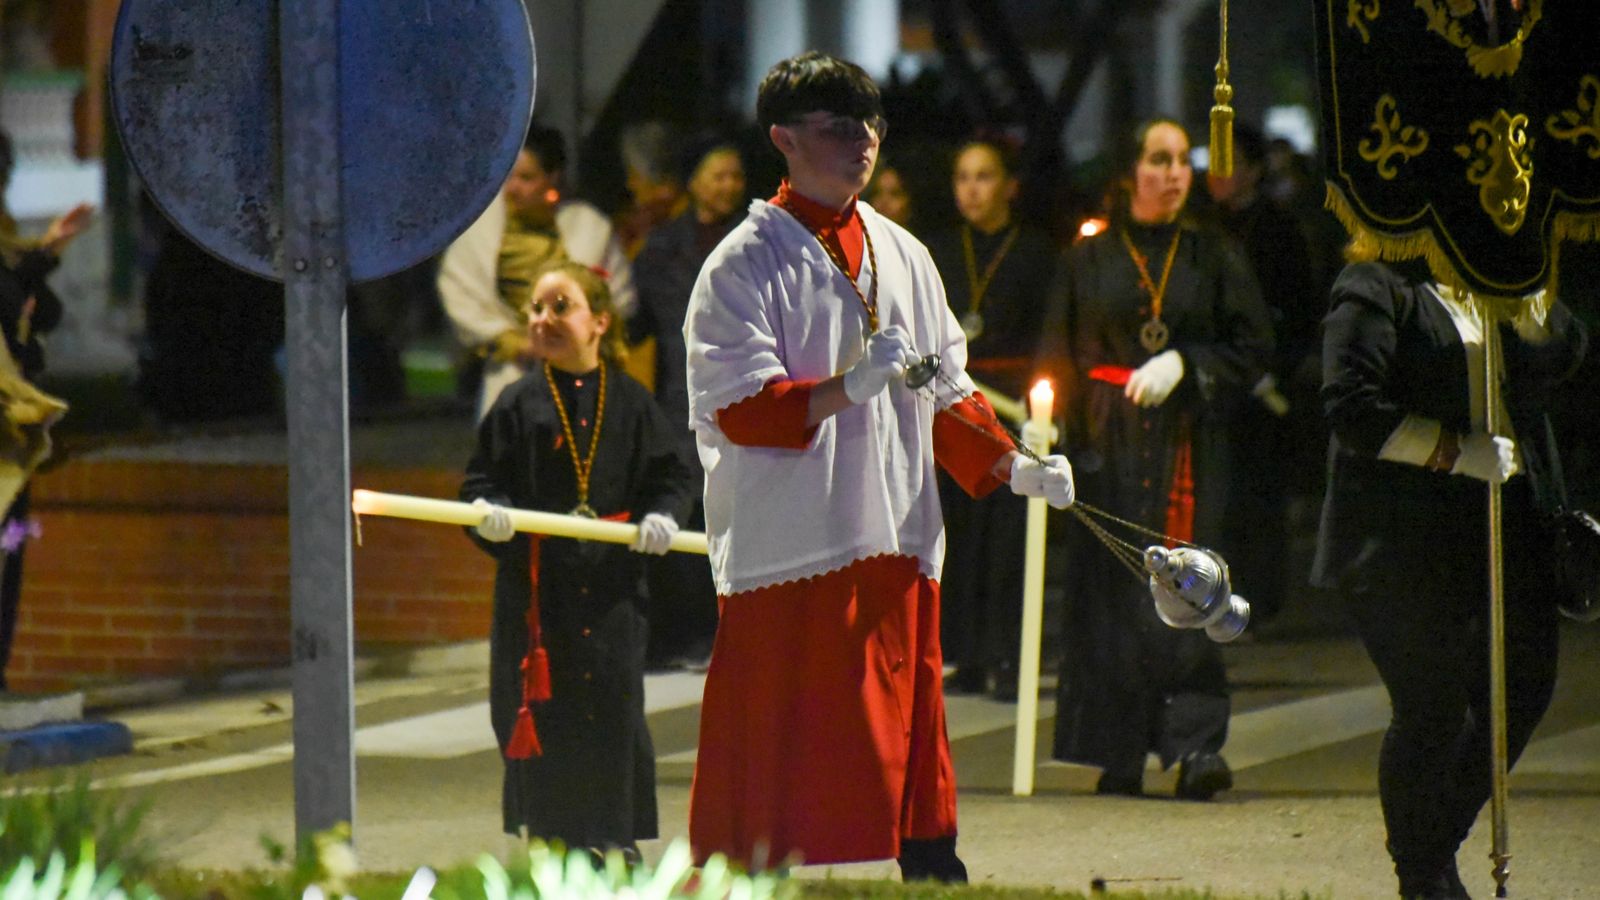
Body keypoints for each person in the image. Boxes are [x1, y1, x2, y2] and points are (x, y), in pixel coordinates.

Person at [683, 51, 1075, 880]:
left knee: (907, 726)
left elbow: (948, 390)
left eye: (872, 125)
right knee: (784, 745)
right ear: (783, 138)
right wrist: (850, 387)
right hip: (788, 545)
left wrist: (1014, 468)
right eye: (838, 128)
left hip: (894, 530)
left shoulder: (904, 253)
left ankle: (931, 869)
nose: (863, 143)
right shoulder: (740, 264)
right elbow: (742, 407)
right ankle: (748, 882)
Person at [1313, 258, 1588, 899]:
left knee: (1521, 690)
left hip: (1506, 525)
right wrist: (1450, 451)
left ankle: (1431, 851)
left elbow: (1570, 360)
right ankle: (1423, 875)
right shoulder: (1376, 285)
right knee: (1434, 709)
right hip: (1402, 536)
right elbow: (1351, 403)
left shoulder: (1500, 282)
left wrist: (1533, 310)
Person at [1039, 118, 1272, 800]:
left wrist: (1187, 362)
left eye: (1181, 161)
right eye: (1158, 159)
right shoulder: (1089, 257)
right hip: (1108, 443)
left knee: (1195, 582)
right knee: (1113, 597)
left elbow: (1254, 345)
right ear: (1129, 173)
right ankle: (1118, 748)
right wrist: (1059, 445)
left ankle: (1196, 747)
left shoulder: (1214, 252)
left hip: (1187, 441)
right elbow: (1059, 354)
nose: (1173, 173)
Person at [461, 259, 694, 856]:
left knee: (612, 715)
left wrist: (663, 517)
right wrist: (491, 513)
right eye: (536, 308)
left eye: (560, 306)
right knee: (547, 715)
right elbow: (478, 484)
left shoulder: (633, 402)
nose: (543, 319)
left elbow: (673, 478)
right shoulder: (517, 403)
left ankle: (614, 840)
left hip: (613, 592)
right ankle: (556, 845)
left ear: (599, 322)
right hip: (541, 598)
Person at [924, 139, 1058, 699]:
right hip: (956, 405)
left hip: (1012, 407)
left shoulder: (1038, 253)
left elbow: (1050, 333)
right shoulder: (936, 252)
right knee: (961, 535)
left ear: (1009, 185)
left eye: (984, 176)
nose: (972, 189)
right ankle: (969, 656)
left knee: (1008, 542)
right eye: (962, 177)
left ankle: (1009, 655)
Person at [628, 137, 747, 668]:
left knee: (733, 516)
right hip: (678, 401)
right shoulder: (662, 246)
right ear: (694, 182)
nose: (728, 186)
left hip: (741, 396)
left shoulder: (754, 241)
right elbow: (640, 323)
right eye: (717, 175)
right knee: (684, 511)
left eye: (735, 176)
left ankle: (729, 630)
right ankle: (681, 634)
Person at [439, 123, 637, 417]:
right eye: (509, 175)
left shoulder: (590, 227)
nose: (513, 188)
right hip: (510, 377)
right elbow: (461, 296)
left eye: (526, 178)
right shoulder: (479, 231)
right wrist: (516, 343)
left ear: (552, 178)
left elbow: (619, 300)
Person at [1204, 124, 1320, 621]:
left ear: (1252, 170)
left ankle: (1260, 601)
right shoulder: (1201, 226)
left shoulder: (1277, 228)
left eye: (1229, 164)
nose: (1219, 176)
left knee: (1259, 498)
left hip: (1264, 385)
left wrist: (1278, 369)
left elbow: (1298, 306)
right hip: (1215, 380)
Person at [0, 130, 84, 690]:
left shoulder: (10, 246)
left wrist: (43, 255)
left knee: (10, 545)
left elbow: (39, 310)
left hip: (12, 428)